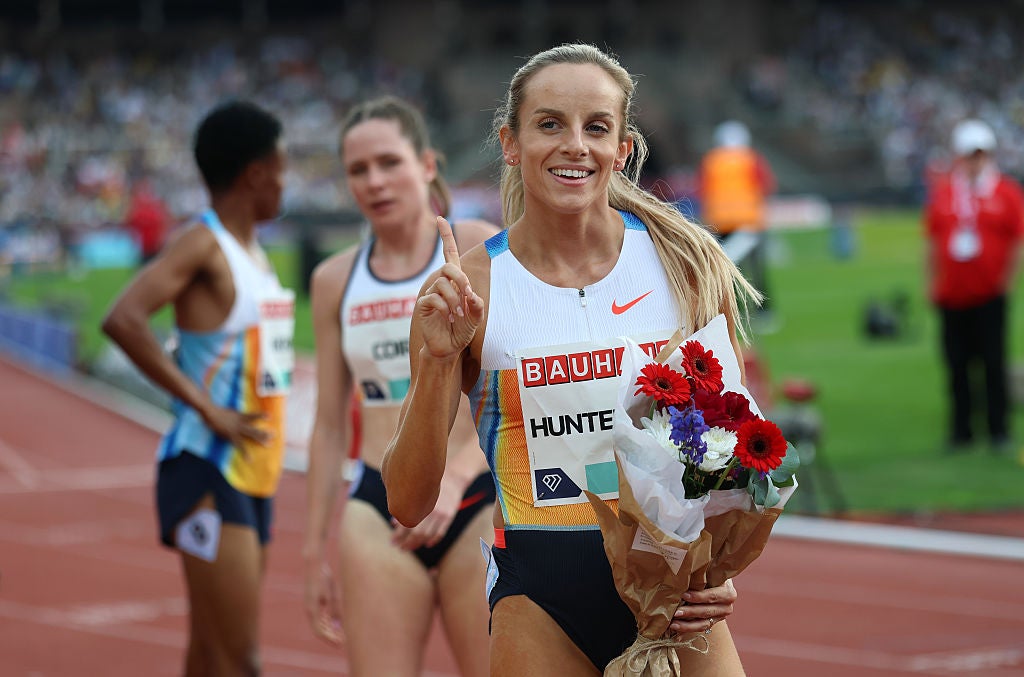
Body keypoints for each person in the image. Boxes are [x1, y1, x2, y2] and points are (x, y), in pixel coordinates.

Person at [382, 44, 760, 676]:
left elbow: (731, 452)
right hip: (542, 601)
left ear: (624, 147)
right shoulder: (468, 289)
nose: (575, 146)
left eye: (597, 128)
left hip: (676, 599)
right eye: (550, 124)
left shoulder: (683, 266)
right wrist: (441, 363)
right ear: (510, 142)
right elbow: (408, 501)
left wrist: (723, 571)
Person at [302, 96, 499, 676]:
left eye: (389, 162)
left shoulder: (481, 244)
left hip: (474, 499)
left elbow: (515, 392)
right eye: (358, 170)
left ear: (427, 164)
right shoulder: (334, 280)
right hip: (376, 507)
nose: (375, 181)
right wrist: (315, 549)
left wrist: (454, 478)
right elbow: (330, 424)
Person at [101, 100, 293, 676]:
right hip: (208, 468)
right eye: (283, 167)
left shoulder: (256, 254)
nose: (287, 182)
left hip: (251, 471)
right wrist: (207, 407)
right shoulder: (204, 244)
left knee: (209, 657)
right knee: (241, 661)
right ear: (256, 173)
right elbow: (124, 318)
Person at [924, 118, 1024, 455]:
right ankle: (961, 430)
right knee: (956, 366)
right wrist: (931, 282)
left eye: (980, 154)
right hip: (952, 295)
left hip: (989, 295)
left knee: (993, 364)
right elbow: (933, 240)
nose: (975, 160)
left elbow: (1017, 240)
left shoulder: (1006, 192)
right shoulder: (946, 194)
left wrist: (1006, 283)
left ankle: (998, 430)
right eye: (970, 154)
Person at [698, 120, 776, 331]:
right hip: (749, 221)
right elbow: (766, 185)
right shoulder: (751, 159)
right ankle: (764, 311)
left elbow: (704, 190)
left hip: (720, 222)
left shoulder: (711, 161)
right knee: (757, 270)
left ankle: (736, 311)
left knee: (728, 271)